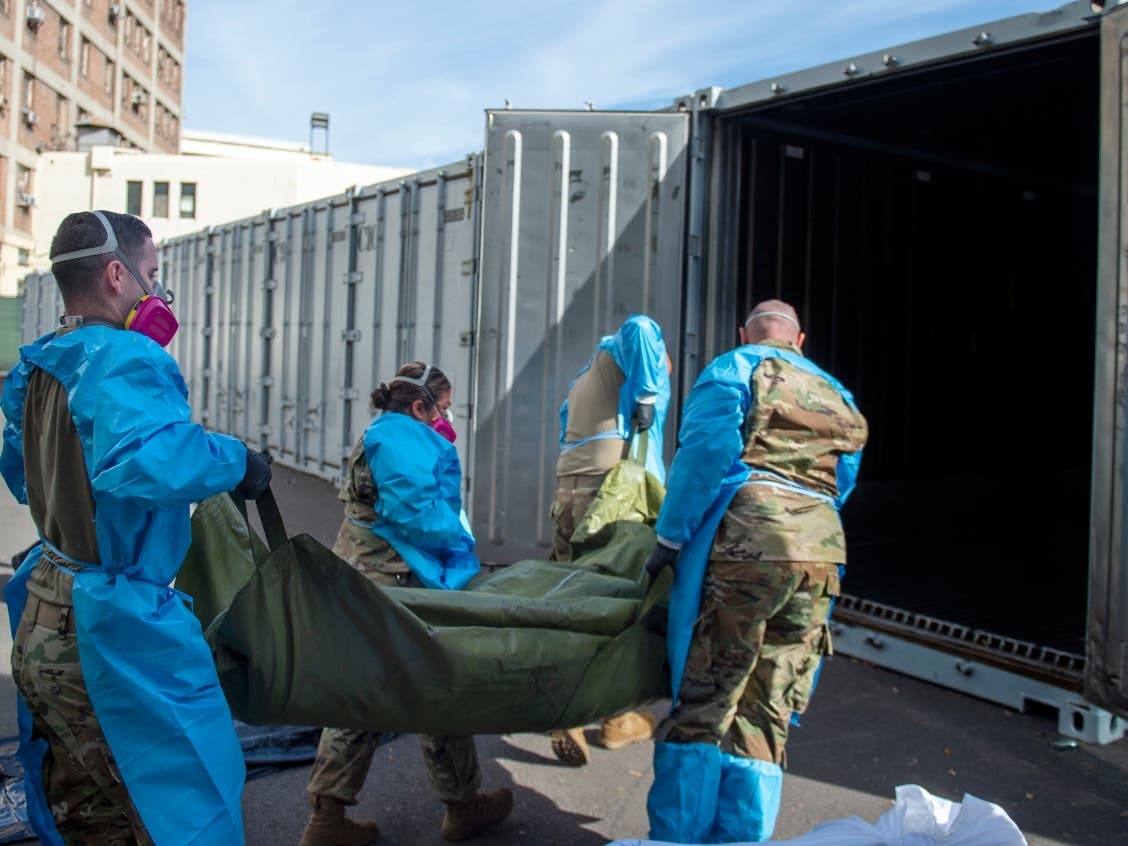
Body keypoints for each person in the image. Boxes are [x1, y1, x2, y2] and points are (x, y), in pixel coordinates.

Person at [0, 210, 273, 845]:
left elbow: (21, 474)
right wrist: (236, 460)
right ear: (116, 276)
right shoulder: (124, 357)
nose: (158, 292)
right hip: (110, 633)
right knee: (184, 808)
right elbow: (148, 459)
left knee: (90, 818)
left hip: (46, 610)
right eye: (152, 274)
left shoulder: (42, 364)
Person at [642, 300, 868, 843]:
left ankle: (677, 838)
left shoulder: (736, 366)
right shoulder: (836, 391)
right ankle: (742, 837)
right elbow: (845, 477)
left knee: (707, 697)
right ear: (800, 340)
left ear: (744, 333)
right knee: (769, 706)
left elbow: (706, 452)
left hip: (750, 542)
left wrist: (669, 538)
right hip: (822, 553)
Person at [299, 361, 513, 846]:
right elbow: (417, 515)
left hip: (365, 576)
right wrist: (459, 536)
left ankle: (331, 816)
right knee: (430, 687)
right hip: (394, 584)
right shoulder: (401, 441)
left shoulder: (384, 433)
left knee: (371, 691)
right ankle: (459, 805)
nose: (448, 417)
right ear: (420, 407)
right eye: (445, 407)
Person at [548, 313, 671, 766]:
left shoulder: (585, 381)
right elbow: (641, 326)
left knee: (572, 598)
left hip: (569, 495)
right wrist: (648, 396)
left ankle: (614, 715)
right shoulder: (624, 352)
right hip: (608, 498)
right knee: (618, 605)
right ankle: (580, 709)